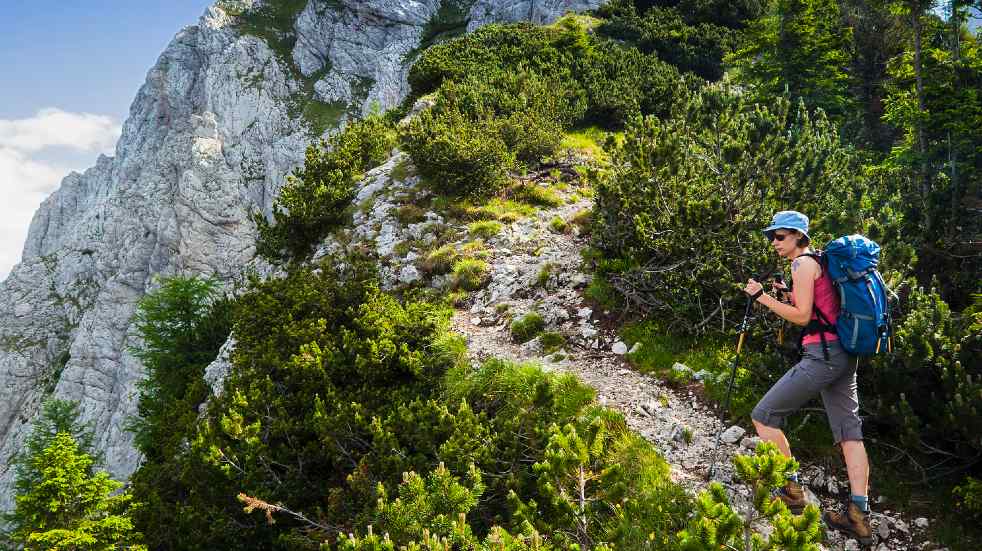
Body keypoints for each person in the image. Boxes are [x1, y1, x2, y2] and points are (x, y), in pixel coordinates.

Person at [743, 210, 873, 546]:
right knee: (849, 432)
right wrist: (786, 295)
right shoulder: (816, 262)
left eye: (780, 236)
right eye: (772, 236)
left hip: (823, 357)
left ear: (799, 236)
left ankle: (792, 489)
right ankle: (858, 515)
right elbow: (816, 308)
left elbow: (802, 317)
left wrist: (763, 298)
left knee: (764, 416)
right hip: (844, 355)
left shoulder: (802, 264)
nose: (774, 242)